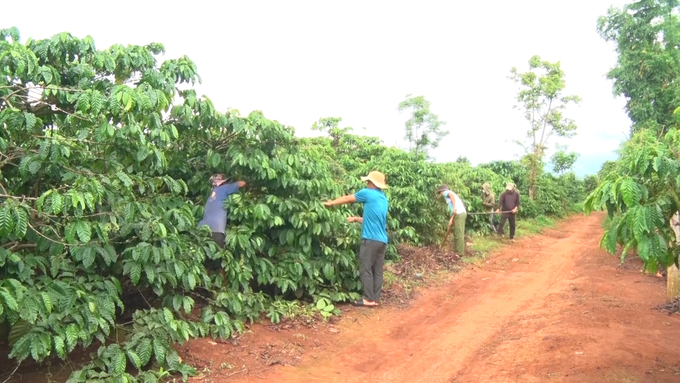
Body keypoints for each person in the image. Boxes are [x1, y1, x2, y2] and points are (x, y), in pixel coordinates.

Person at [323, 171, 388, 308]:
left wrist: (330, 203)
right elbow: (372, 219)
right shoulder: (383, 198)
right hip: (382, 241)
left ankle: (368, 299)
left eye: (368, 182)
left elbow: (347, 198)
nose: (366, 184)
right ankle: (375, 299)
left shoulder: (368, 193)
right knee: (377, 270)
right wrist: (355, 219)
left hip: (370, 239)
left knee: (365, 268)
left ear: (372, 183)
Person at [198, 173, 246, 264]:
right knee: (218, 263)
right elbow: (241, 183)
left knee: (206, 263)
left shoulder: (211, 194)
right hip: (216, 230)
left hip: (202, 229)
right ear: (220, 183)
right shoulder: (223, 189)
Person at [438, 184, 467, 256]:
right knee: (456, 232)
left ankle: (460, 253)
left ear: (442, 191)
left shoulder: (446, 193)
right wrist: (451, 219)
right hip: (458, 214)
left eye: (439, 192)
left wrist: (454, 208)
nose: (440, 194)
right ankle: (456, 250)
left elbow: (452, 196)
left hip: (459, 213)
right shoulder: (448, 194)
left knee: (458, 233)